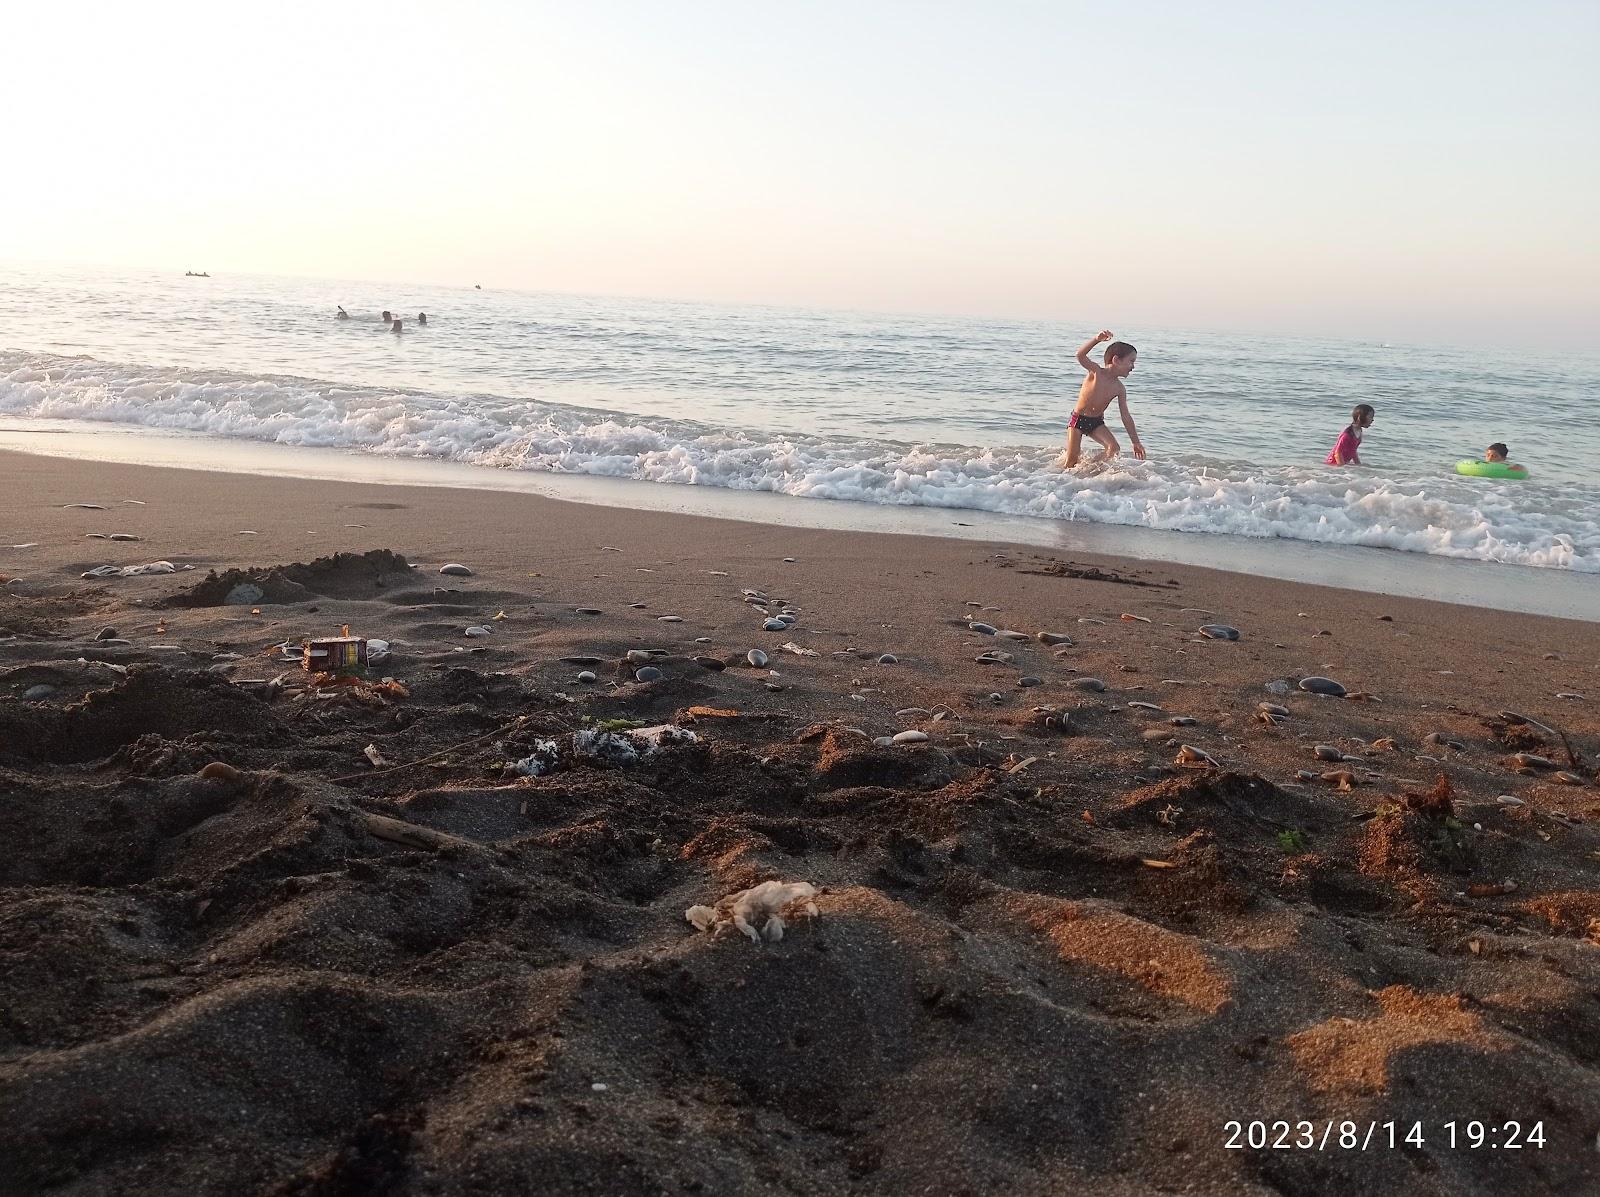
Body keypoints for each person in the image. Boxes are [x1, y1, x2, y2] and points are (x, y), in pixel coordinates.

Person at [1061, 330, 1142, 467]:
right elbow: (1080, 355)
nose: (1133, 366)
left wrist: (1135, 442)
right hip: (1078, 419)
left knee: (1113, 449)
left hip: (1096, 422)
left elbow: (1126, 416)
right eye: (1131, 361)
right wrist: (1096, 340)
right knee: (1072, 459)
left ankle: (1087, 470)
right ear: (1116, 360)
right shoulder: (1096, 372)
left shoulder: (1119, 388)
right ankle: (1059, 479)